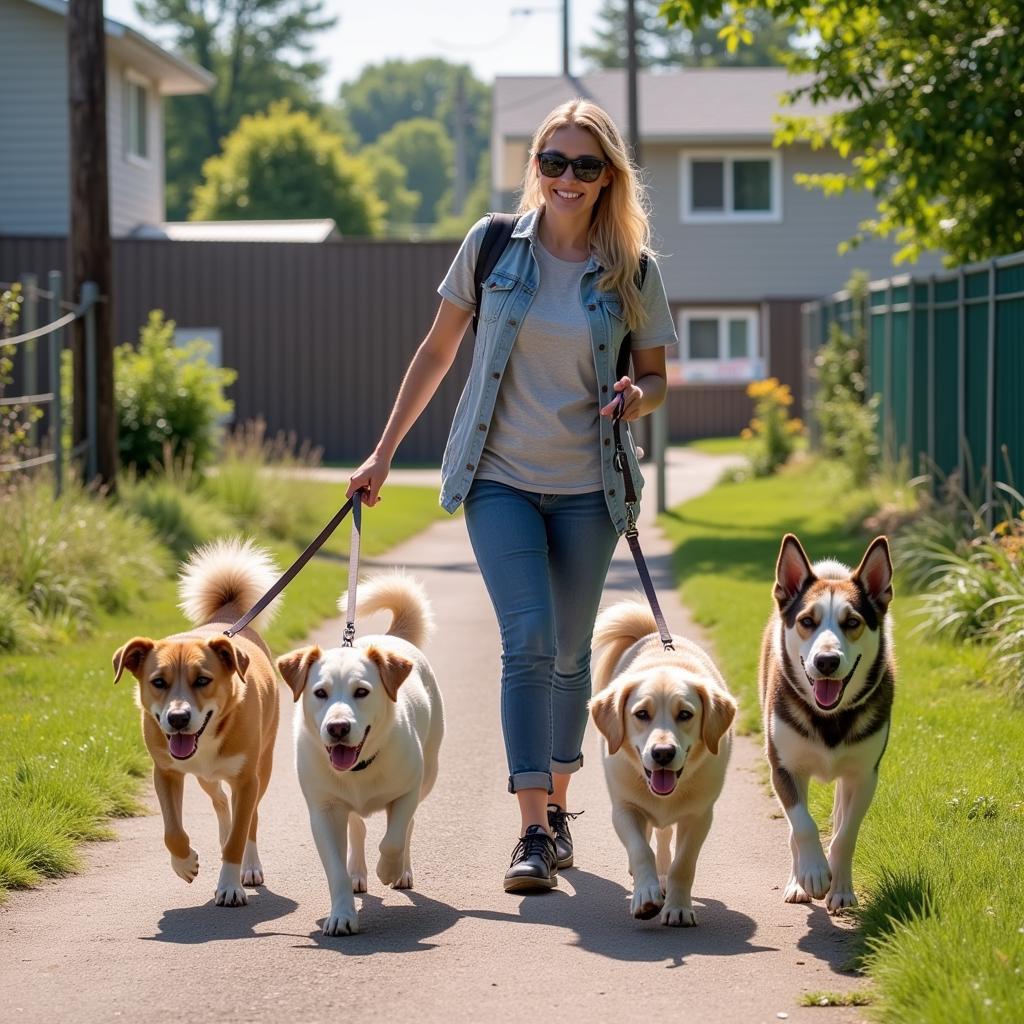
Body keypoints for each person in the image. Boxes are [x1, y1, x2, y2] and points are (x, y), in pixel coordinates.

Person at [347, 98, 677, 893]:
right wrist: (383, 453)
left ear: (608, 179)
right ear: (536, 167)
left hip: (589, 488)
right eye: (553, 162)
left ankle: (558, 811)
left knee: (569, 654)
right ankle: (532, 829)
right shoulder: (493, 245)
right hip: (499, 479)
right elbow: (436, 351)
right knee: (528, 639)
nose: (567, 178)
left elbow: (662, 378)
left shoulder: (633, 269)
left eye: (585, 166)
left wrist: (637, 397)